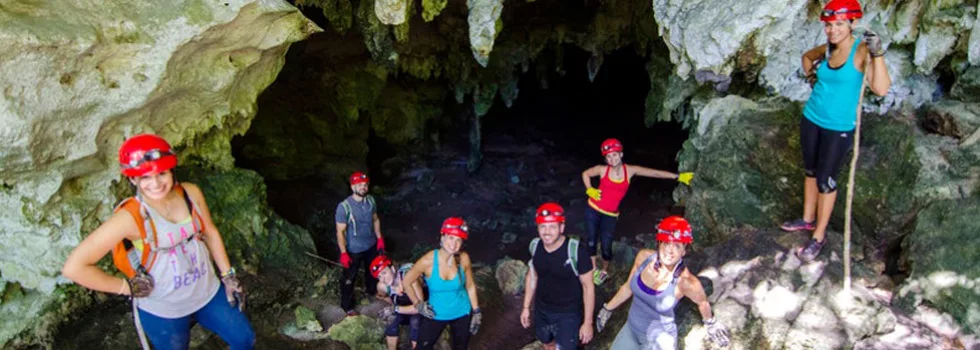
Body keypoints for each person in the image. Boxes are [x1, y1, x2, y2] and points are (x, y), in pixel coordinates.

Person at [61, 134, 254, 349]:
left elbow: (209, 231)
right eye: (145, 177)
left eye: (161, 173)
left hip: (207, 292)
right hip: (163, 308)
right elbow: (74, 268)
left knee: (244, 338)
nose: (155, 183)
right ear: (133, 179)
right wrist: (126, 288)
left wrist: (228, 275)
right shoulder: (129, 218)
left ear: (171, 170)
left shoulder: (190, 194)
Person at [781, 0, 891, 261]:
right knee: (810, 171)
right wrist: (812, 80)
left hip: (838, 127)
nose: (833, 30)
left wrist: (878, 54)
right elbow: (807, 57)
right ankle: (807, 219)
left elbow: (881, 89)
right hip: (812, 117)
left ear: (852, 24)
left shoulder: (860, 50)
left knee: (826, 180)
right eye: (829, 25)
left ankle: (818, 236)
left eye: (839, 24)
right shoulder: (829, 48)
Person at [595, 216, 729, 350]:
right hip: (631, 329)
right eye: (666, 243)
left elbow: (702, 302)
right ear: (659, 243)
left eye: (677, 246)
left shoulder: (685, 282)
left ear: (684, 251)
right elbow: (628, 287)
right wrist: (608, 308)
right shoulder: (643, 258)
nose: (669, 250)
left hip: (660, 339)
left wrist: (710, 323)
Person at [582, 138, 693, 285]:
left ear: (621, 154)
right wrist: (589, 189)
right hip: (593, 209)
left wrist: (678, 177)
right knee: (591, 240)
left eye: (615, 154)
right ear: (605, 158)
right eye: (608, 156)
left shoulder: (630, 171)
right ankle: (594, 269)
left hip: (610, 214)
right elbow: (586, 174)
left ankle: (605, 270)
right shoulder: (602, 170)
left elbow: (654, 173)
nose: (612, 158)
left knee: (606, 246)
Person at [521, 202, 596, 350]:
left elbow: (588, 287)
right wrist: (525, 307)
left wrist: (587, 323)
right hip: (542, 309)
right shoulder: (535, 246)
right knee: (546, 342)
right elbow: (532, 276)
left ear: (562, 228)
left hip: (568, 313)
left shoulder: (577, 252)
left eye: (552, 227)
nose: (546, 232)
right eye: (542, 226)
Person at [402, 217, 481, 350]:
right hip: (436, 313)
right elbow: (406, 282)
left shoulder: (463, 258)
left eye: (458, 240)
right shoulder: (428, 261)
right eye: (451, 237)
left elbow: (470, 285)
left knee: (461, 347)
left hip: (462, 312)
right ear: (442, 236)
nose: (454, 244)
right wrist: (418, 304)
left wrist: (477, 311)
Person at [335, 171, 386, 316]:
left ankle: (371, 291)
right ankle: (347, 306)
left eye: (365, 184)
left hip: (371, 245)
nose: (363, 187)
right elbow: (340, 232)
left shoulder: (370, 201)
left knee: (372, 272)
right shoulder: (344, 207)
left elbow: (375, 219)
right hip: (354, 249)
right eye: (359, 185)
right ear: (352, 187)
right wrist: (344, 253)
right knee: (349, 278)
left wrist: (379, 238)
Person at [372, 255, 425, 350]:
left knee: (415, 321)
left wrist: (395, 309)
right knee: (391, 318)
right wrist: (393, 308)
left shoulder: (410, 279)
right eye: (379, 276)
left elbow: (420, 308)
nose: (383, 279)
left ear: (392, 269)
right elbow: (383, 297)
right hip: (404, 309)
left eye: (384, 273)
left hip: (422, 310)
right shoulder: (382, 286)